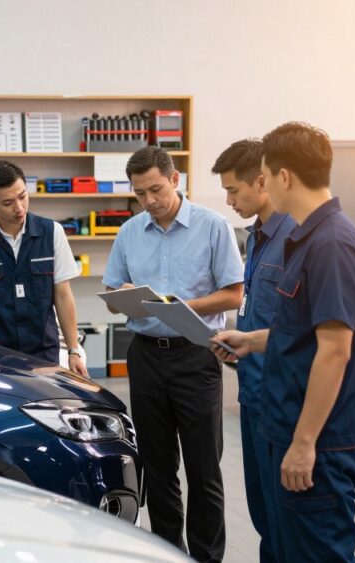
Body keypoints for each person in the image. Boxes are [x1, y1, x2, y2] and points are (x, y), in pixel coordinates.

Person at [212, 122, 355, 563]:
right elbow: (302, 331)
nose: (261, 184)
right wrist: (252, 341)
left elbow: (335, 351)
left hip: (319, 439)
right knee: (285, 548)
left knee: (317, 553)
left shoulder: (333, 244)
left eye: (265, 174)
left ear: (283, 177)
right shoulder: (309, 239)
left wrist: (303, 444)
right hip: (286, 420)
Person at [103, 146, 243, 562]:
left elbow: (234, 293)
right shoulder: (130, 232)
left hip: (196, 356)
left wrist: (180, 306)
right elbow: (111, 296)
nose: (149, 201)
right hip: (145, 356)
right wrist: (121, 297)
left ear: (176, 179)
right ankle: (167, 553)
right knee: (158, 469)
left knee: (203, 471)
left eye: (156, 189)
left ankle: (205, 557)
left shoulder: (212, 226)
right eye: (140, 193)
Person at [213, 138, 296, 562]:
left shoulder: (295, 239)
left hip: (282, 403)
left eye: (234, 190)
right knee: (264, 516)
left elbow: (308, 333)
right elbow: (258, 310)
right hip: (253, 393)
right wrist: (240, 346)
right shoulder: (257, 238)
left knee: (286, 523)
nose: (228, 200)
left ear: (262, 181)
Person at [0, 160, 87, 376]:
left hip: (43, 356)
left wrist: (73, 350)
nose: (19, 208)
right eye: (8, 202)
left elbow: (63, 295)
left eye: (23, 196)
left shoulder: (52, 233)